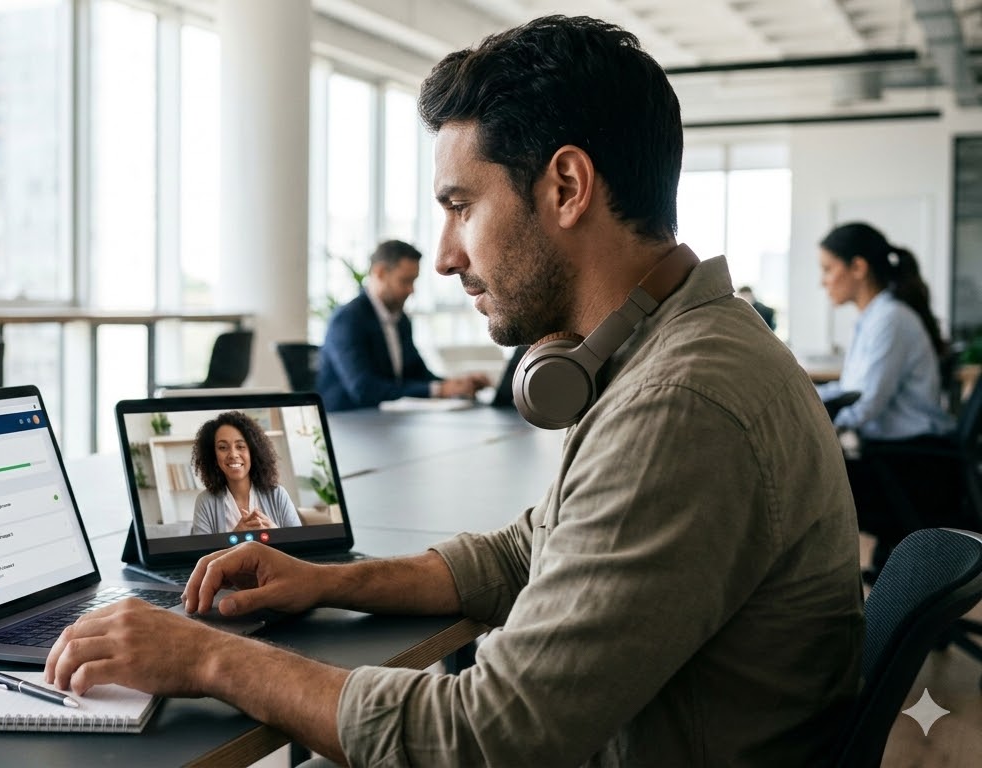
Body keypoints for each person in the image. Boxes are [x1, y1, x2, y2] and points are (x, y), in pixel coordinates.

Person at [43, 16, 861, 766]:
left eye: (461, 207)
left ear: (567, 187)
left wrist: (208, 657)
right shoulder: (671, 353)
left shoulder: (679, 405)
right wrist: (326, 580)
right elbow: (524, 552)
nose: (443, 256)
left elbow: (485, 735)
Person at [816, 221, 956, 578]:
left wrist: (811, 417)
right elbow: (852, 389)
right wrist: (806, 397)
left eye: (829, 269)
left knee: (805, 484)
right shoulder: (875, 317)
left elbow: (865, 404)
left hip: (910, 468)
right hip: (898, 459)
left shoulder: (890, 319)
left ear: (858, 268)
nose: (824, 281)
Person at [315, 240, 490, 411]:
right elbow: (364, 389)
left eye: (413, 281)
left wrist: (455, 385)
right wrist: (439, 390)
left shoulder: (400, 319)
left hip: (387, 421)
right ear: (380, 273)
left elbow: (417, 373)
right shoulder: (347, 320)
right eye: (405, 281)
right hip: (348, 422)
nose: (411, 290)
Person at [188, 411, 302, 536]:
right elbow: (203, 555)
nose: (233, 454)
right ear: (213, 456)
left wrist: (275, 532)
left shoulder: (278, 494)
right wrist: (235, 536)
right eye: (223, 447)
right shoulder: (205, 502)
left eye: (240, 446)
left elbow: (300, 547)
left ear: (252, 452)